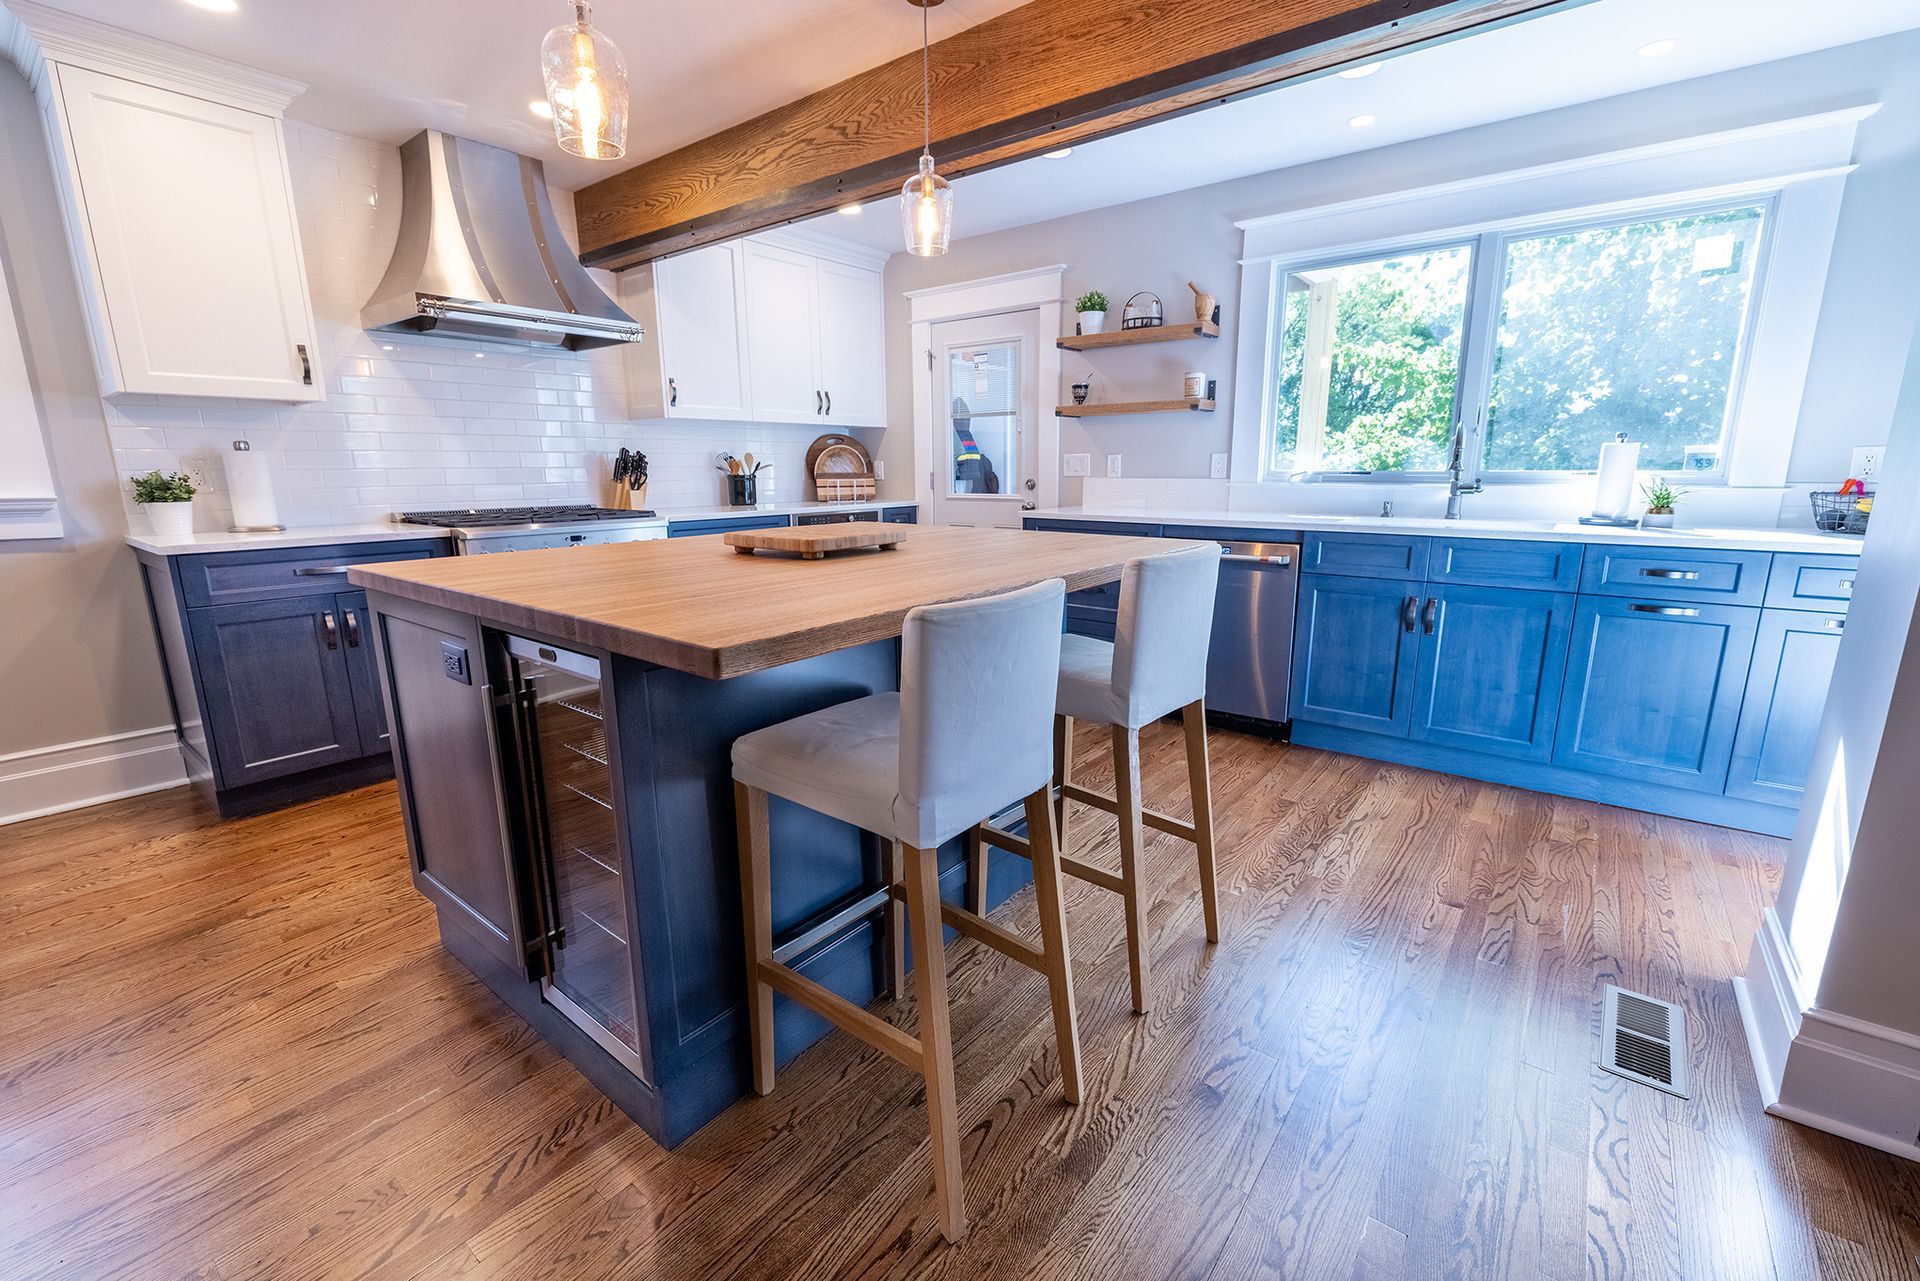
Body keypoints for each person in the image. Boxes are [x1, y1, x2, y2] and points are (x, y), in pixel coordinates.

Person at [951, 396, 1000, 494]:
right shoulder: (959, 436)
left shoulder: (964, 436)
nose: (964, 421)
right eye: (961, 418)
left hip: (965, 481)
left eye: (966, 418)